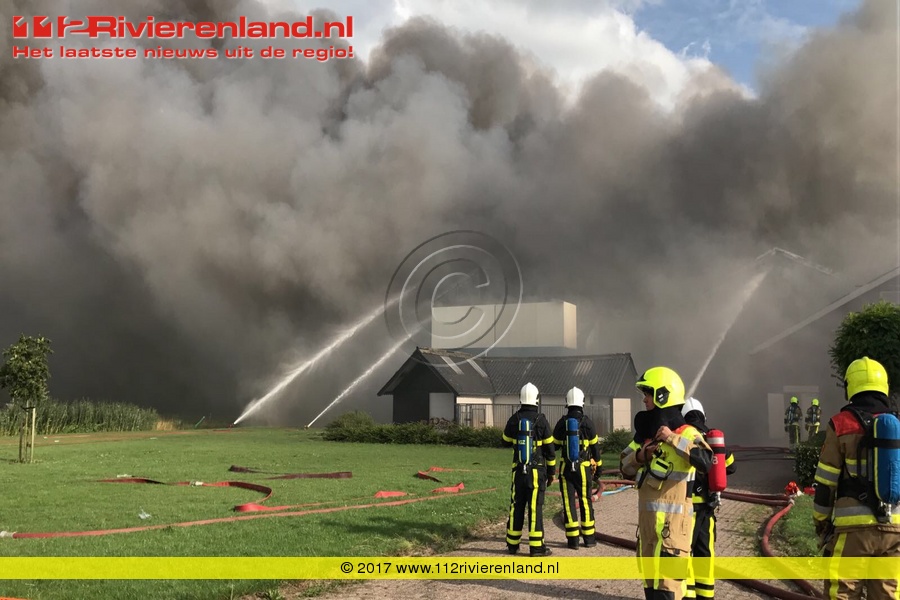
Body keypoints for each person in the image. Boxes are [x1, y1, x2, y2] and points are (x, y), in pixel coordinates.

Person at [620, 367, 713, 600]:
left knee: (668, 593)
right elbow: (624, 466)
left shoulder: (687, 433)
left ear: (663, 395)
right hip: (648, 535)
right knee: (651, 592)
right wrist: (642, 455)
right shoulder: (644, 437)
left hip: (672, 536)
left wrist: (671, 438)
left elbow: (705, 460)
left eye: (648, 394)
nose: (644, 399)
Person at [812, 356, 900, 599]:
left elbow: (826, 481)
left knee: (843, 592)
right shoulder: (897, 424)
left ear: (851, 386)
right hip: (895, 529)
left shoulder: (840, 425)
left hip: (854, 531)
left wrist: (821, 521)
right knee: (888, 594)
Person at [680, 397, 736, 600]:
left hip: (685, 508)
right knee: (705, 553)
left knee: (684, 551)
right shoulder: (713, 438)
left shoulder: (684, 436)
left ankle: (687, 595)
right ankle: (706, 596)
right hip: (707, 509)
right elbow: (731, 466)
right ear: (704, 416)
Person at [502, 382, 556, 556]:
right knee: (535, 508)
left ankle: (512, 544)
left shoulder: (514, 419)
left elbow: (504, 441)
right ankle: (536, 547)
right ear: (536, 399)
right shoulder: (541, 420)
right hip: (536, 472)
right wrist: (551, 473)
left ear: (520, 399)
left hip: (518, 471)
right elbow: (550, 450)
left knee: (516, 505)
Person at [552, 386, 601, 549]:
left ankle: (573, 541)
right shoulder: (588, 423)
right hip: (584, 468)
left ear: (567, 402)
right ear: (582, 402)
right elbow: (595, 449)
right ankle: (589, 539)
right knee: (585, 500)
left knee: (568, 502)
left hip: (566, 469)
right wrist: (598, 469)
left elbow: (554, 446)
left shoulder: (562, 422)